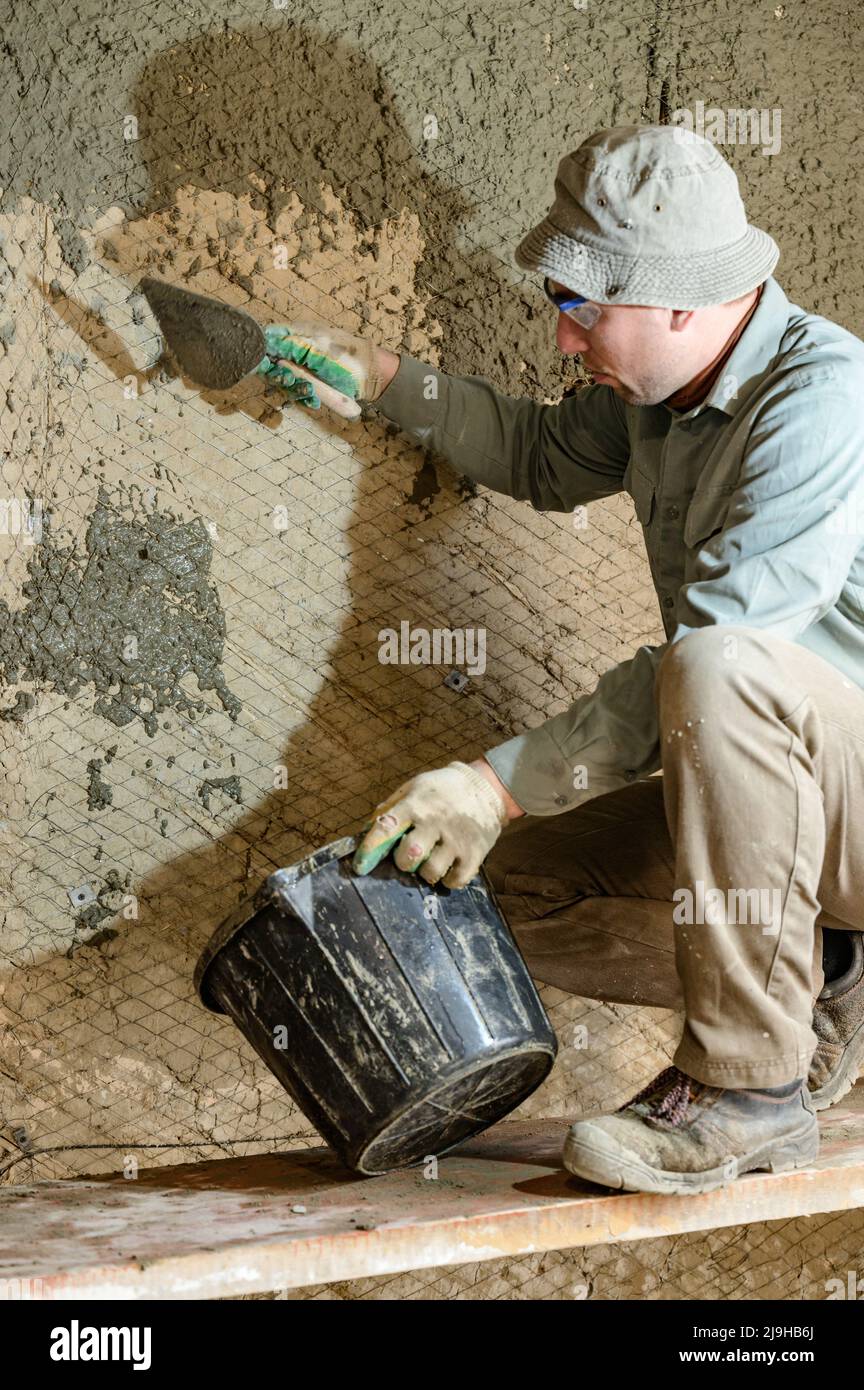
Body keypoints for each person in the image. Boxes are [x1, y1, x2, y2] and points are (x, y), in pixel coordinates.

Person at [260, 125, 864, 1195]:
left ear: (680, 302)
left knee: (720, 665)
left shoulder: (825, 396)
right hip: (783, 820)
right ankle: (831, 978)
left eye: (585, 309)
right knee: (511, 893)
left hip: (850, 799)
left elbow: (725, 646)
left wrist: (498, 783)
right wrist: (386, 376)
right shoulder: (657, 400)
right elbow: (540, 454)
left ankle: (749, 1087)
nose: (562, 338)